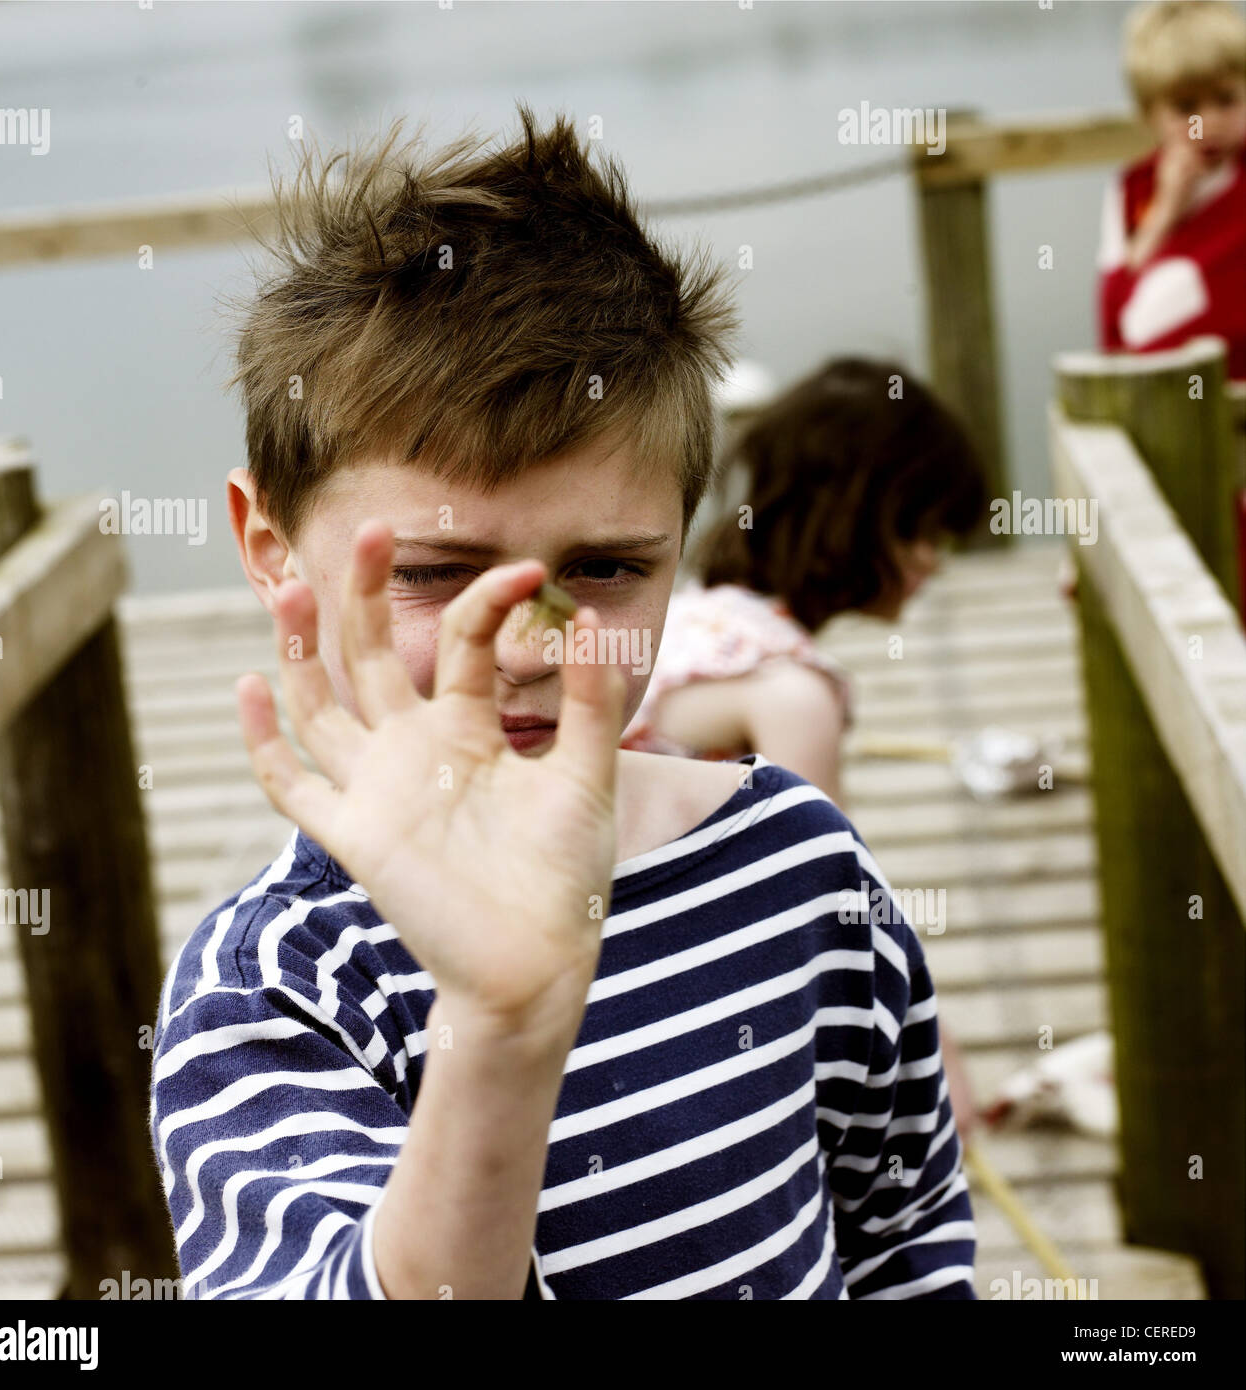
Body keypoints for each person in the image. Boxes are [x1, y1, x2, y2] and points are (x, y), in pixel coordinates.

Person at [148, 107, 976, 1300]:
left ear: (682, 545)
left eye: (605, 567)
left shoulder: (802, 861)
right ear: (273, 549)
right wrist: (502, 1030)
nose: (525, 645)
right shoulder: (283, 978)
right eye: (437, 573)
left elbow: (905, 1229)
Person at [620, 358, 985, 1138]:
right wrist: (939, 1071)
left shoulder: (702, 613)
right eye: (918, 530)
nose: (932, 561)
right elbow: (839, 906)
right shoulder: (792, 692)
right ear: (856, 516)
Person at [1097, 0, 1246, 378]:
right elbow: (1114, 323)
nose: (1208, 122)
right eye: (1186, 107)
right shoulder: (1133, 190)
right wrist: (1166, 211)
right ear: (1150, 113)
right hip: (1169, 396)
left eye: (1226, 100)